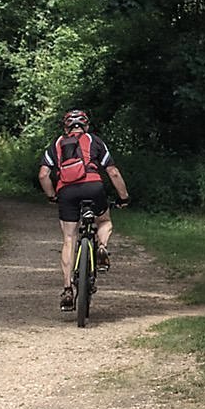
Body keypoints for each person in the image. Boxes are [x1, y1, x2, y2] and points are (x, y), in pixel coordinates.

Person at [38, 108, 129, 311]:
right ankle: (102, 247)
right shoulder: (95, 141)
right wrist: (124, 197)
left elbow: (43, 174)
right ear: (86, 126)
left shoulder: (57, 144)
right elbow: (113, 172)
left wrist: (52, 195)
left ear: (66, 128)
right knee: (104, 221)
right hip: (93, 187)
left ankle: (67, 289)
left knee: (69, 238)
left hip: (67, 192)